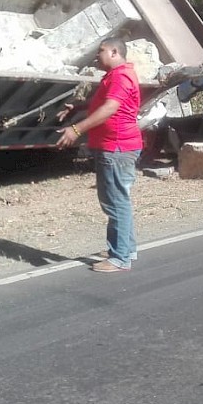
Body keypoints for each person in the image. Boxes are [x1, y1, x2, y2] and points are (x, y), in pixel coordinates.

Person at [56, 36, 142, 273]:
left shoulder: (121, 76)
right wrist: (79, 107)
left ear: (115, 52)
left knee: (115, 202)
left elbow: (110, 108)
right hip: (116, 146)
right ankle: (126, 249)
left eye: (101, 51)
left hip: (116, 148)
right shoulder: (115, 76)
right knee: (118, 201)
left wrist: (76, 129)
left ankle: (119, 258)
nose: (97, 55)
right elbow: (104, 103)